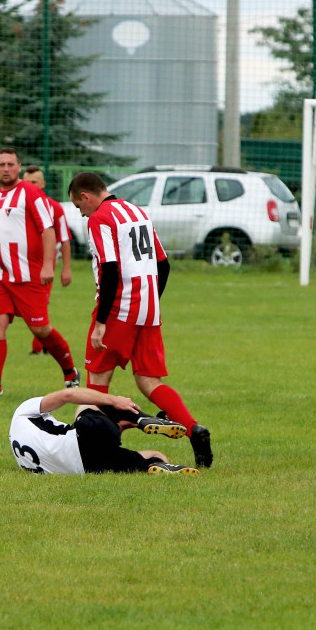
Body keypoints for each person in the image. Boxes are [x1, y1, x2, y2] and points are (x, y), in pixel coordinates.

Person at [68, 172, 213, 469]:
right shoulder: (137, 211)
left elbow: (109, 269)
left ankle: (107, 446)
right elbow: (164, 264)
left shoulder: (100, 218)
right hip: (148, 309)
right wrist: (151, 300)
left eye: (78, 206)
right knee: (149, 380)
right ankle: (192, 427)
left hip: (119, 308)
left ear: (86, 196)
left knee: (97, 383)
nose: (80, 213)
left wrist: (101, 322)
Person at [0, 148, 80, 395]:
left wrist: (48, 265)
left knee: (40, 330)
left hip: (28, 277)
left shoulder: (31, 193)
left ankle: (69, 370)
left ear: (18, 167)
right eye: (1, 164)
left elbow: (49, 230)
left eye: (10, 164)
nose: (5, 168)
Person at [9, 387, 199, 475]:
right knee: (87, 403)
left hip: (88, 467)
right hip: (87, 435)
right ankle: (141, 418)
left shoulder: (23, 461)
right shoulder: (23, 411)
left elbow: (97, 442)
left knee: (155, 456)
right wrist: (113, 399)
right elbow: (68, 394)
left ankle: (159, 465)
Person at [22, 164, 73, 355]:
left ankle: (40, 347)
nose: (29, 186)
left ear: (42, 184)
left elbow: (65, 239)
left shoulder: (54, 208)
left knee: (40, 305)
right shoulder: (16, 205)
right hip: (19, 264)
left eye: (34, 182)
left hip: (43, 265)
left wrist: (66, 268)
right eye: (26, 182)